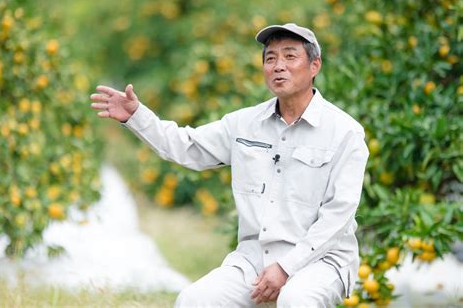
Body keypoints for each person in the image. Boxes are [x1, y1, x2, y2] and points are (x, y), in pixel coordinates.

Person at [90, 23, 369, 307]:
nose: (278, 66)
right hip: (254, 260)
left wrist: (287, 268)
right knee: (193, 300)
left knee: (296, 300)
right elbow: (187, 146)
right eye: (270, 58)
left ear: (314, 65)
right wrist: (136, 116)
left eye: (289, 56)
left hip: (320, 262)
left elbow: (338, 216)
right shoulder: (243, 124)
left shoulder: (345, 133)